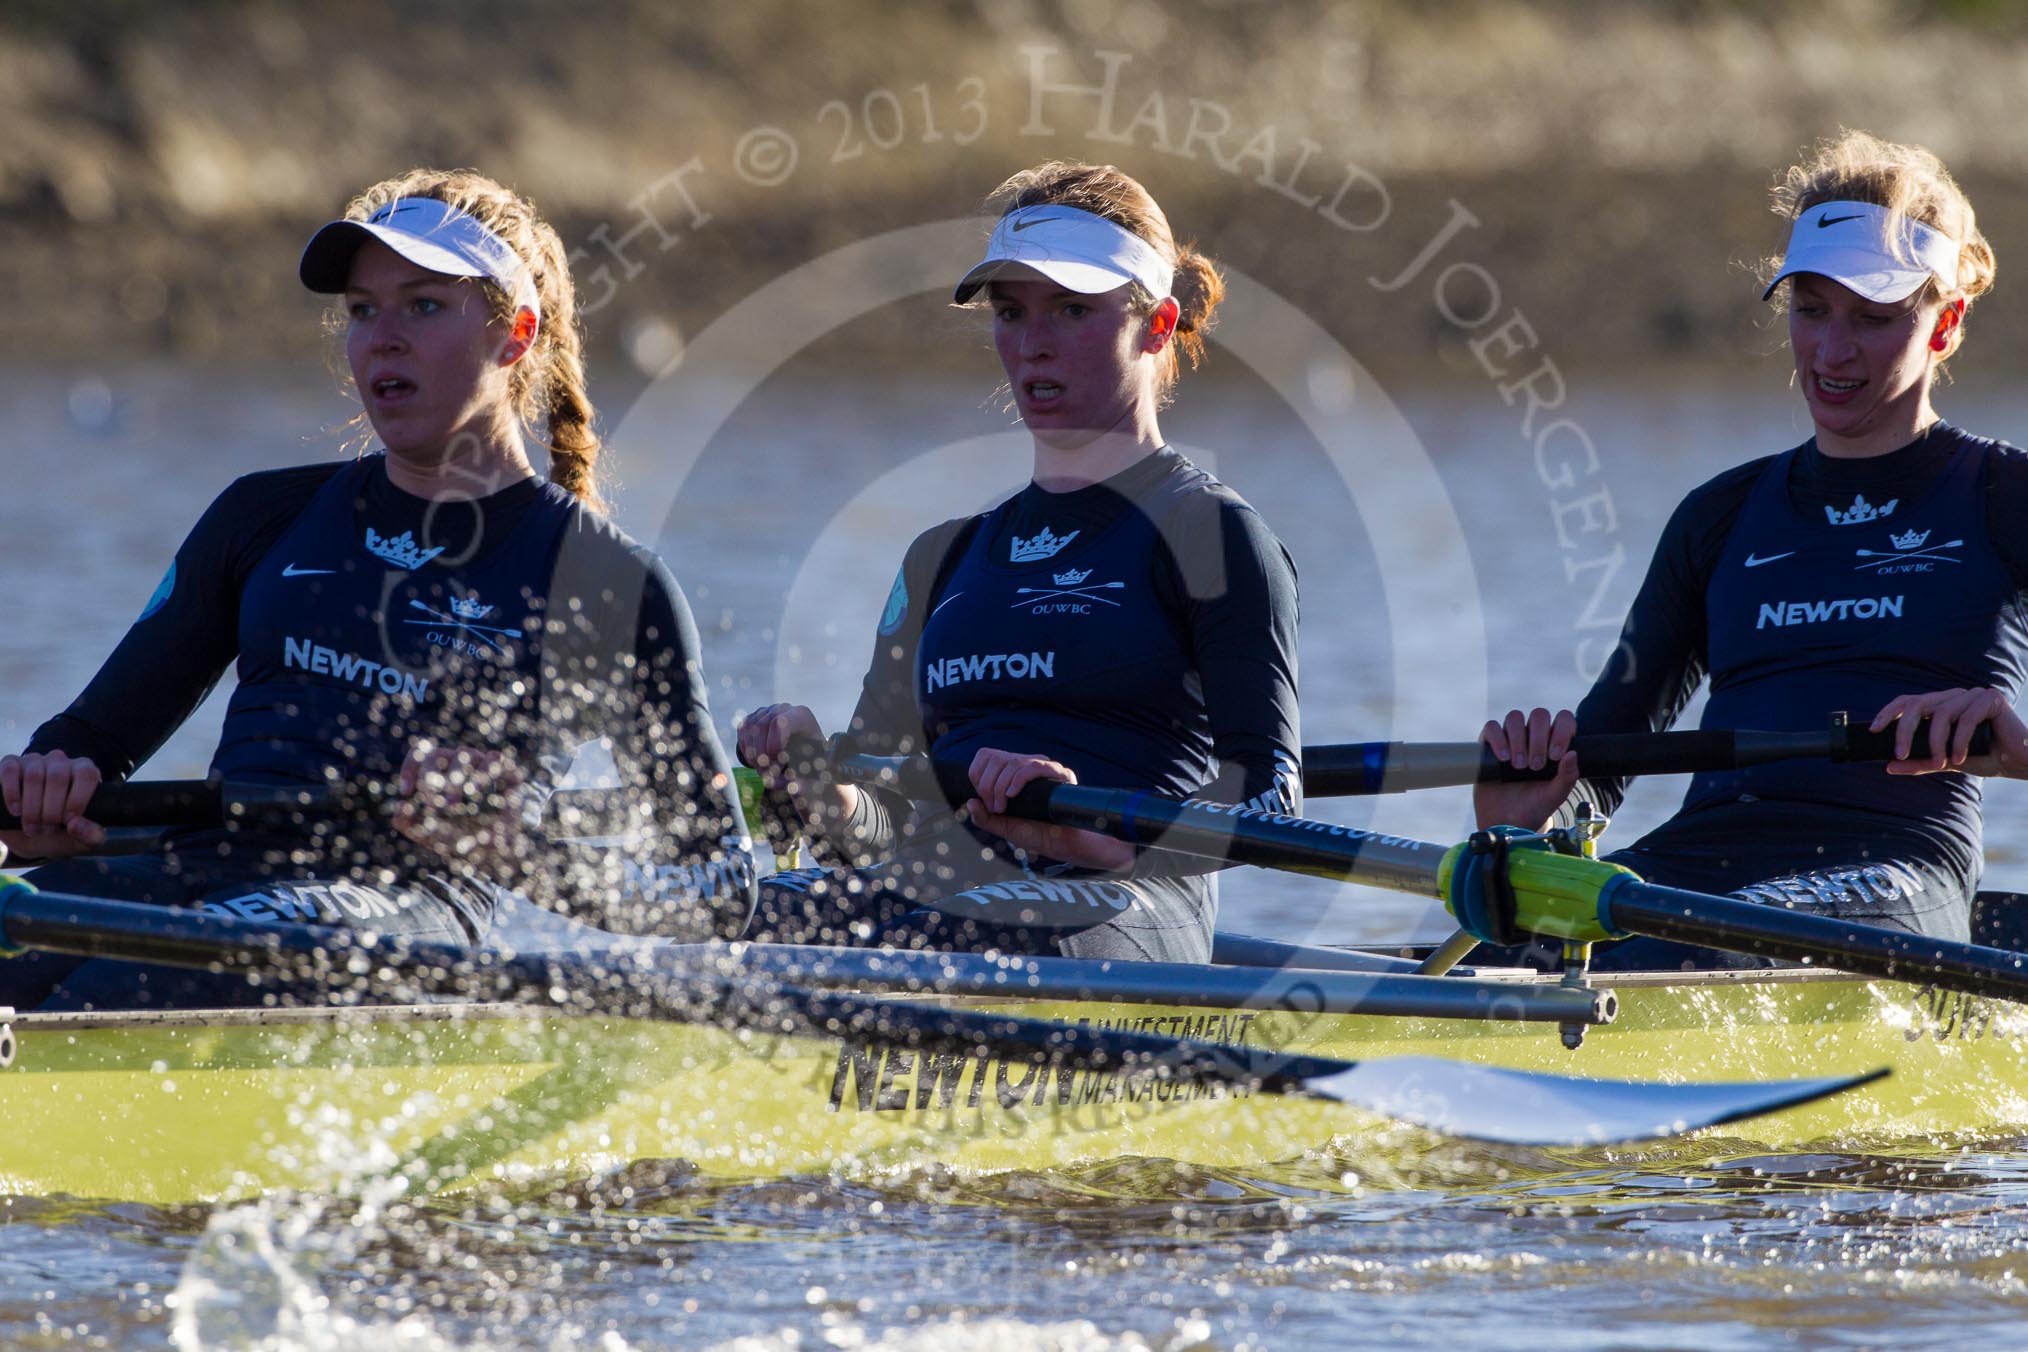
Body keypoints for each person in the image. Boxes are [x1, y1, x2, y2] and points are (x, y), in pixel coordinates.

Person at [0, 169, 756, 1009]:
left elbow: (722, 888)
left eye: (424, 305)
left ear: (516, 335)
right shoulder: (261, 516)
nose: (382, 339)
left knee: (167, 965)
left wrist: (526, 856)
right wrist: (46, 789)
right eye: (364, 310)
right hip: (201, 870)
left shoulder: (611, 585)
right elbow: (88, 741)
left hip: (410, 910)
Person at [1475, 131, 2028, 969]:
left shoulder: (2006, 496)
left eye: (1873, 319)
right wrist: (1524, 821)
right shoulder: (1720, 516)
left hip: (1897, 866)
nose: (1831, 352)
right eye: (1811, 311)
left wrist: (2017, 742)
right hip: (1693, 867)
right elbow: (1604, 754)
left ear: (1945, 323)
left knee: (1669, 941)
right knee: (1518, 942)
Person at [735, 161, 1301, 962]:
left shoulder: (1212, 535)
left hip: (1132, 897)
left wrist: (1098, 836)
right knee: (722, 919)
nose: (1034, 345)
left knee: (958, 933)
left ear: (1158, 325)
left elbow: (1272, 798)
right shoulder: (943, 557)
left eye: (1072, 310)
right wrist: (825, 795)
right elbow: (883, 819)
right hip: (948, 893)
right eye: (1011, 312)